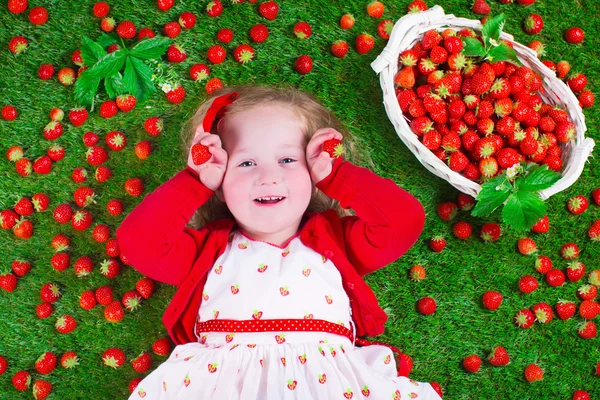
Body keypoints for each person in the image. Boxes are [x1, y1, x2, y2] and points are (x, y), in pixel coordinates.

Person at [117, 85, 442, 399]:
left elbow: (403, 222)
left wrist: (336, 175)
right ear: (220, 182)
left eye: (287, 160)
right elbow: (138, 244)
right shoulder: (206, 253)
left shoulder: (338, 242)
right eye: (246, 163)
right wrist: (194, 182)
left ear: (312, 175)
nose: (268, 176)